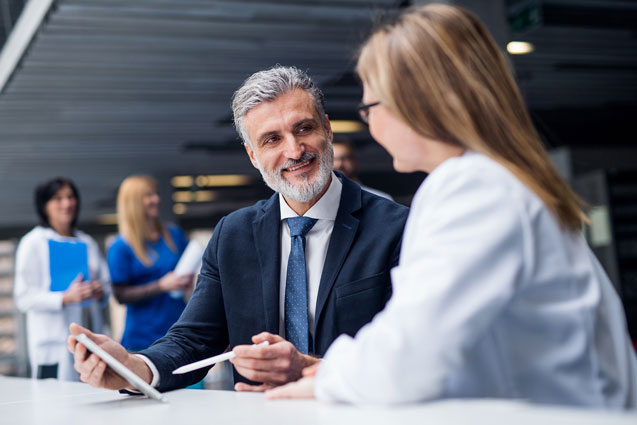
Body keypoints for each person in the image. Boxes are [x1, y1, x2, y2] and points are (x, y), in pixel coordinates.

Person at [265, 4, 637, 408]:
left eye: (370, 107)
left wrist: (332, 376)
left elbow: (410, 359)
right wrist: (342, 367)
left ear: (416, 104)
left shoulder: (472, 188)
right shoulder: (495, 179)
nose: (370, 124)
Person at [67, 66, 408, 393]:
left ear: (328, 129)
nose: (294, 150)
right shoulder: (233, 235)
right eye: (272, 139)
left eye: (304, 128)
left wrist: (308, 367)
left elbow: (412, 351)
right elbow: (194, 340)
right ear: (252, 156)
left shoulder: (397, 229)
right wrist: (131, 368)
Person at [14, 177, 110, 381]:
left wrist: (99, 291)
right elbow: (23, 298)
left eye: (70, 197)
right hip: (52, 344)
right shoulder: (33, 243)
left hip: (89, 339)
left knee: (94, 398)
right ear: (44, 206)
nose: (67, 203)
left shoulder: (87, 242)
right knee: (54, 404)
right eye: (58, 198)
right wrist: (65, 298)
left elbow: (107, 286)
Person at [107, 175, 193, 352]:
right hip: (142, 338)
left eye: (155, 194)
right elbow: (120, 295)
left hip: (179, 331)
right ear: (134, 203)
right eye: (148, 196)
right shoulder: (120, 246)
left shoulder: (173, 234)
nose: (156, 199)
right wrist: (161, 286)